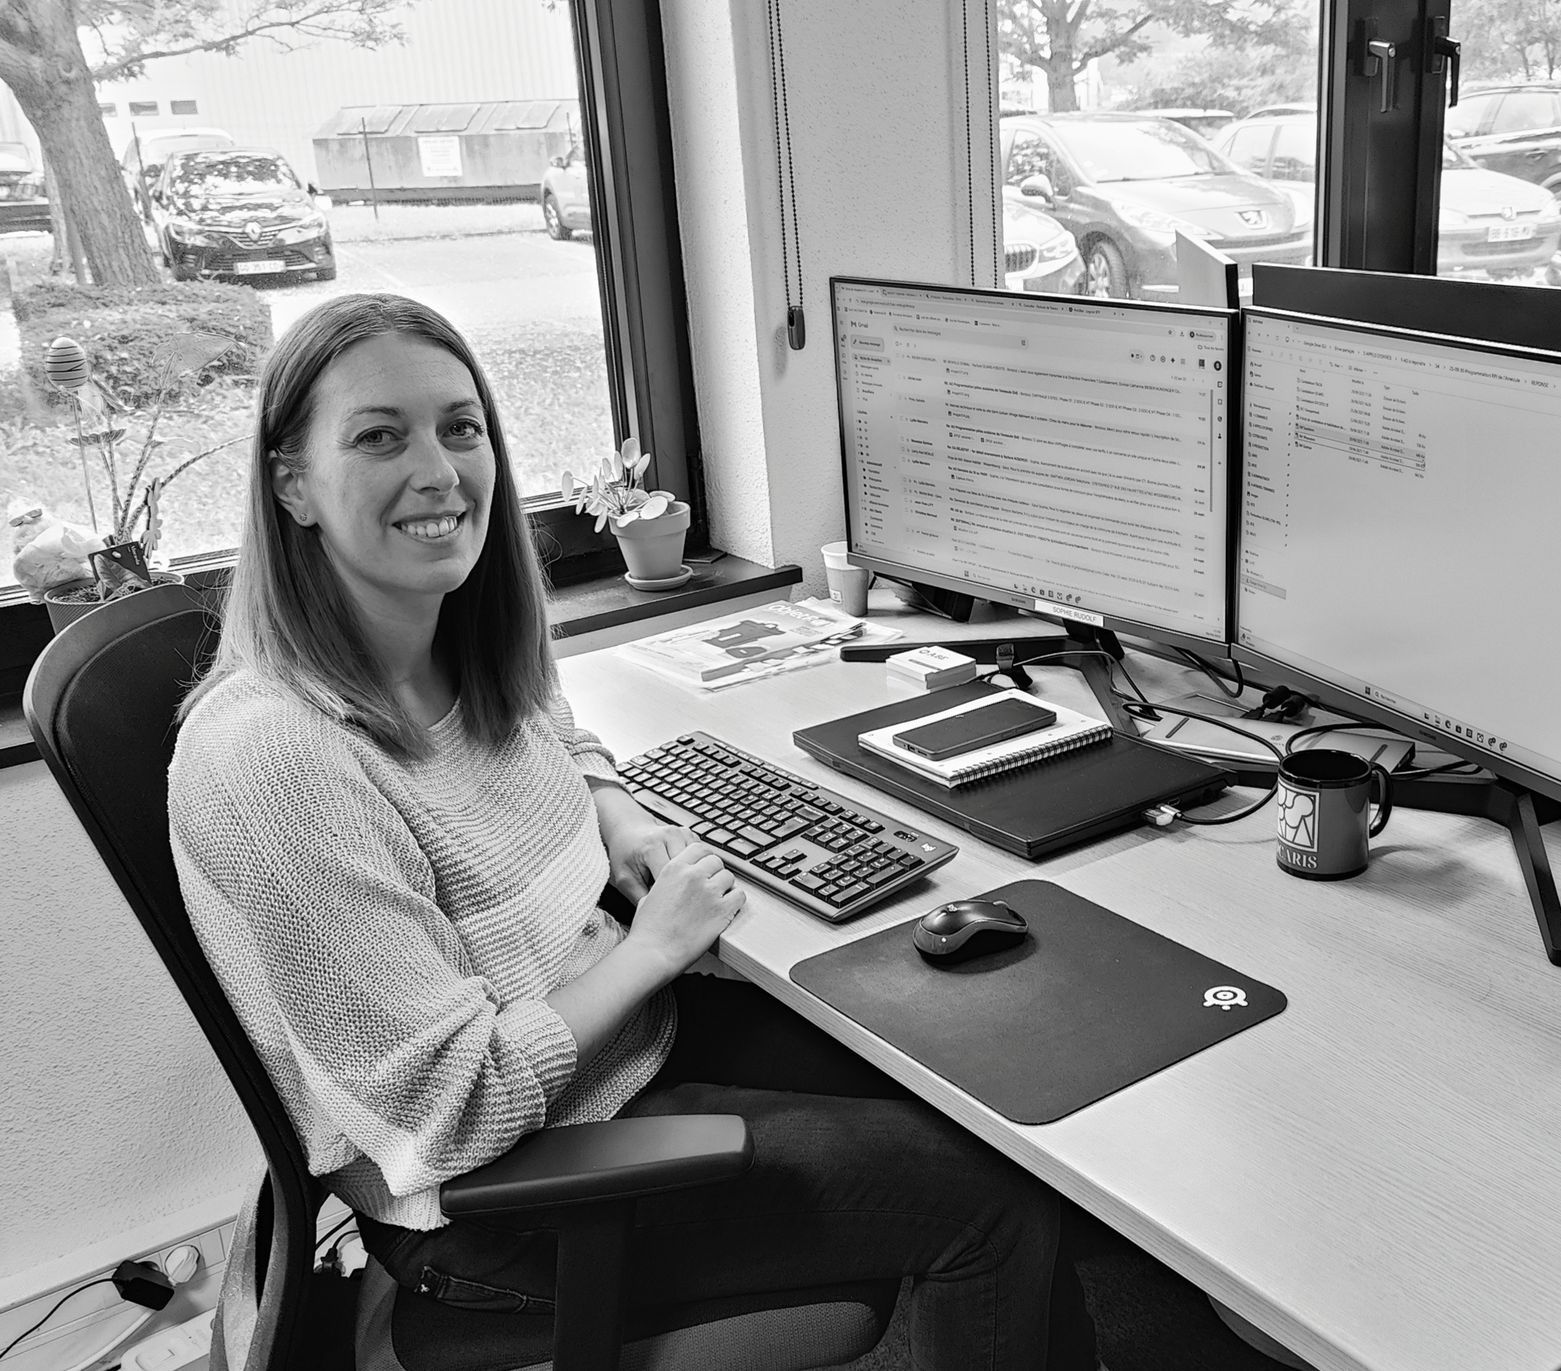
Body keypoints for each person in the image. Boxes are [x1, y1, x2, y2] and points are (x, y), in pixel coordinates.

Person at [168, 293, 1099, 1370]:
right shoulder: (276, 761)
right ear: (291, 482)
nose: (440, 473)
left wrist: (618, 818)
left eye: (461, 427)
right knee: (990, 1202)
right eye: (380, 436)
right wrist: (653, 947)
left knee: (986, 1095)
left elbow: (557, 733)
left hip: (621, 1054)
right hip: (504, 1198)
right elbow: (450, 1115)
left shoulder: (444, 637)